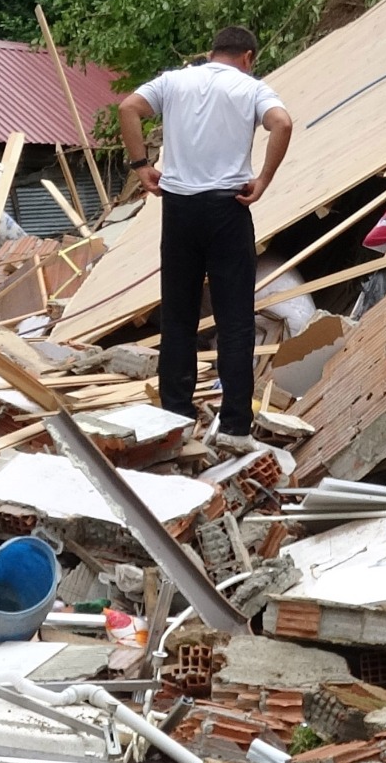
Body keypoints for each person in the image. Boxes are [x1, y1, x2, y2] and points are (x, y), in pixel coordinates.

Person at [118, 26, 293, 453]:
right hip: (228, 210)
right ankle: (235, 427)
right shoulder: (250, 88)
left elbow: (128, 107)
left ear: (212, 52)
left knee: (178, 318)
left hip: (179, 210)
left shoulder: (174, 81)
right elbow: (282, 123)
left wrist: (142, 165)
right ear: (248, 56)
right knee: (235, 320)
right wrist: (264, 179)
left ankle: (175, 421)